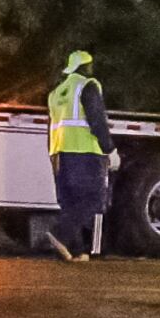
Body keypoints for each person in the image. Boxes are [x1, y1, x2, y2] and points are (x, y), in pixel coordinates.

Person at [39, 46, 115, 260]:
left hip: (60, 153)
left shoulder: (56, 93)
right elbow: (96, 120)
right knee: (94, 198)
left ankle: (76, 250)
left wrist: (53, 154)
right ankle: (60, 234)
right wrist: (110, 148)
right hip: (85, 152)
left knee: (70, 202)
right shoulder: (87, 86)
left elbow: (52, 126)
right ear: (86, 67)